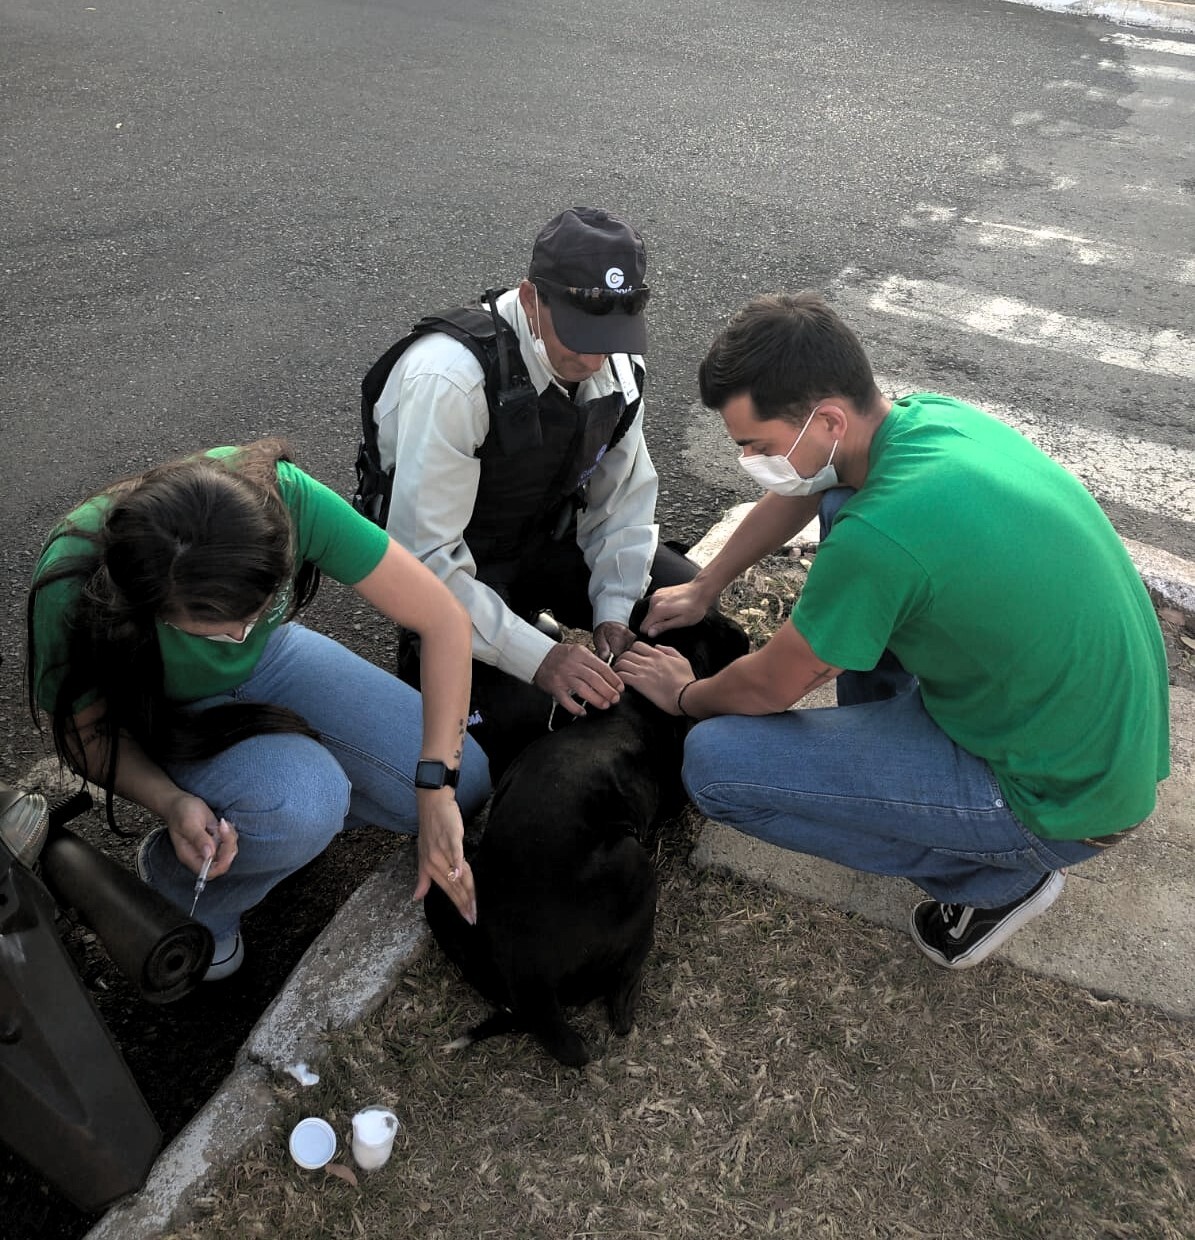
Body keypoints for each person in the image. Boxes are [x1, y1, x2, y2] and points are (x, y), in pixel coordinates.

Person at [617, 292, 1170, 970]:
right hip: (1092, 742)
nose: (751, 461)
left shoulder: (880, 537)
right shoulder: (925, 420)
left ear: (824, 421)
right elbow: (804, 490)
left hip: (1057, 800)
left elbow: (770, 686)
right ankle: (900, 755)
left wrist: (681, 696)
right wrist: (707, 582)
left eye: (756, 446)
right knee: (839, 498)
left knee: (714, 764)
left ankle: (994, 880)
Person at [26, 441, 491, 980]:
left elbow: (443, 620)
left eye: (259, 610)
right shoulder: (72, 587)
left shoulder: (280, 497)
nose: (236, 640)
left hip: (276, 659)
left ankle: (270, 828)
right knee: (303, 803)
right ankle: (182, 888)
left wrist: (435, 787)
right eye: (213, 629)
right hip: (161, 707)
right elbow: (84, 733)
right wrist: (172, 801)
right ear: (143, 603)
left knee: (466, 783)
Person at [364, 207, 696, 770]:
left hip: (547, 537)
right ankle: (430, 662)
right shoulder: (450, 380)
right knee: (515, 732)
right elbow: (421, 562)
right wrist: (540, 657)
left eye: (610, 338)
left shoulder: (617, 362)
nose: (595, 359)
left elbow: (623, 499)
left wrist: (614, 612)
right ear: (529, 298)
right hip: (460, 568)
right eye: (579, 337)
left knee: (691, 620)